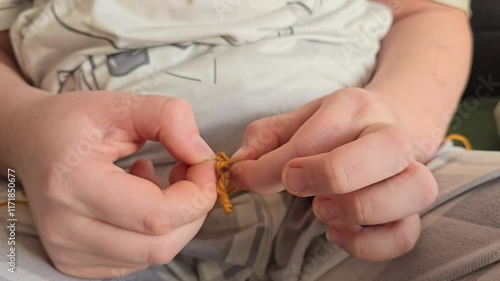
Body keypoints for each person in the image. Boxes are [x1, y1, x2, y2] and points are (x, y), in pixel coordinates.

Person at [1, 0, 499, 281]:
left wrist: (400, 135)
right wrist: (23, 127)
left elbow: (428, 11)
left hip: (369, 198)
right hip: (70, 212)